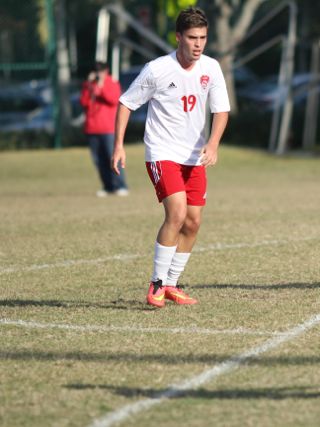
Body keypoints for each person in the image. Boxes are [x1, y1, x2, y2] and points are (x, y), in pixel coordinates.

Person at [111, 7, 230, 308]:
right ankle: (156, 284)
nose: (198, 44)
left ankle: (173, 284)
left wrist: (213, 144)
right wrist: (119, 145)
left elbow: (221, 110)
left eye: (203, 37)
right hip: (162, 152)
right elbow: (126, 104)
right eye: (192, 38)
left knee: (193, 222)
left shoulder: (211, 68)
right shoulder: (157, 70)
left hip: (194, 155)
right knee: (176, 214)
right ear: (178, 37)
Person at [80, 61, 128, 197]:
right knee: (98, 160)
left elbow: (113, 99)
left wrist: (101, 88)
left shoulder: (111, 83)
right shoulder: (89, 85)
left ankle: (120, 185)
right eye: (96, 70)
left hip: (108, 128)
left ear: (106, 71)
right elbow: (83, 102)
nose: (98, 73)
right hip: (92, 128)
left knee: (112, 158)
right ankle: (108, 186)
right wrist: (89, 86)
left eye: (100, 70)